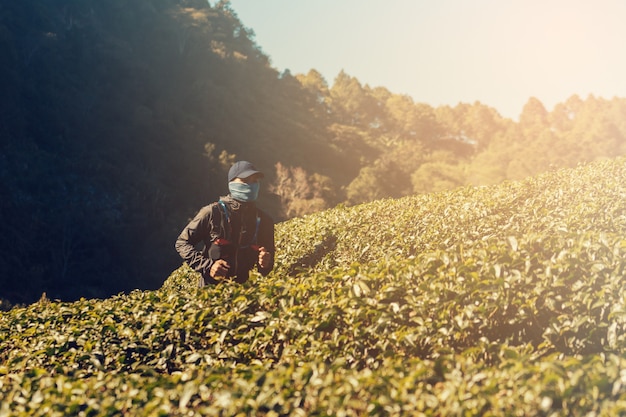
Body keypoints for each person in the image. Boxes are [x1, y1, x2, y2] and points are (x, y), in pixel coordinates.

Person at [175, 161, 275, 286]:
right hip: (210, 295)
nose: (251, 185)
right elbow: (182, 242)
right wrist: (208, 266)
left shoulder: (264, 220)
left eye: (255, 181)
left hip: (242, 297)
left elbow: (266, 267)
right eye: (245, 180)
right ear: (232, 183)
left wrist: (266, 263)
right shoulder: (212, 212)